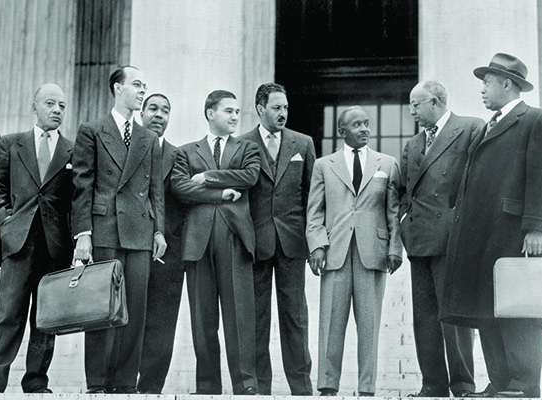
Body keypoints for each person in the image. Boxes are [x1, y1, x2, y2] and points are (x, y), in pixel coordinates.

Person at [441, 53, 542, 399]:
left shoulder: (538, 120)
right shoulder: (489, 124)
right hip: (483, 237)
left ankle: (523, 385)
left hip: (515, 236)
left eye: (487, 82)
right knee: (487, 310)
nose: (482, 89)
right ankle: (500, 383)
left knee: (521, 311)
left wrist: (538, 228)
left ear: (507, 84)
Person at [0, 83, 74, 394]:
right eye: (50, 103)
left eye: (62, 106)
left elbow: (75, 198)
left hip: (55, 245)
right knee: (8, 312)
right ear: (34, 106)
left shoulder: (71, 150)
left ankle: (37, 380)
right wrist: (6, 221)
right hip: (18, 241)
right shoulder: (12, 144)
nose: (56, 110)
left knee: (46, 316)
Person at [72, 65, 166, 394]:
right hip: (105, 227)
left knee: (135, 311)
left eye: (144, 86)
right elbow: (82, 185)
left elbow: (156, 190)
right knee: (101, 308)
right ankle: (97, 382)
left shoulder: (148, 138)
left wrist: (159, 232)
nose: (142, 91)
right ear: (117, 88)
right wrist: (83, 233)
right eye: (136, 85)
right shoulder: (92, 130)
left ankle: (125, 382)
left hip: (140, 230)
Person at [306, 106, 402, 397]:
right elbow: (314, 212)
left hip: (372, 252)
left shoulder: (387, 164)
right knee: (331, 322)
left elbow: (393, 211)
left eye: (366, 123)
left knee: (369, 324)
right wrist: (317, 246)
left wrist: (395, 248)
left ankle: (367, 387)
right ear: (342, 131)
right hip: (335, 251)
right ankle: (327, 385)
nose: (364, 129)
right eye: (357, 124)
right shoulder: (324, 165)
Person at [171, 90, 260, 395]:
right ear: (210, 113)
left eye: (237, 111)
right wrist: (221, 193)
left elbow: (249, 177)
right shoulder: (185, 152)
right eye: (229, 111)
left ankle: (246, 383)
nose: (236, 117)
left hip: (235, 238)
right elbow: (180, 188)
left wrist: (207, 176)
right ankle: (207, 385)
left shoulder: (247, 148)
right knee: (202, 318)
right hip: (198, 241)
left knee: (240, 316)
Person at [400, 80, 484, 398]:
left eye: (416, 104)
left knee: (454, 314)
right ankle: (432, 384)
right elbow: (405, 193)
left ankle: (463, 385)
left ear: (435, 102)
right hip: (420, 239)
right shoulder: (413, 144)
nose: (411, 111)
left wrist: (463, 225)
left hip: (452, 238)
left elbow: (478, 182)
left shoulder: (470, 129)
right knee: (425, 316)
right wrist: (405, 221)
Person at [242, 83, 315, 395]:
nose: (283, 113)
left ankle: (301, 387)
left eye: (285, 107)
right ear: (260, 108)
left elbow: (312, 197)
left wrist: (314, 243)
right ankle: (260, 388)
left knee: (295, 317)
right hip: (255, 244)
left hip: (292, 242)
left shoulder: (303, 143)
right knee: (257, 317)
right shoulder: (242, 144)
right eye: (276, 107)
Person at [137, 93, 185, 394]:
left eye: (165, 110)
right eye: (153, 108)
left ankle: (151, 386)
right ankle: (122, 381)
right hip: (130, 247)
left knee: (163, 321)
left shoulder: (179, 155)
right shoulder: (127, 150)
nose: (159, 115)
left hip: (168, 252)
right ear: (141, 113)